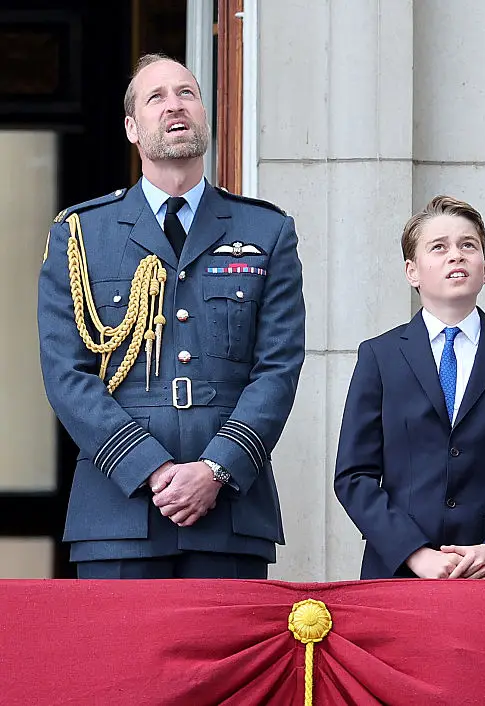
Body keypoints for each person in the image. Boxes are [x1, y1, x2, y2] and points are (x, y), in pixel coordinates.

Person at [37, 54, 305, 579]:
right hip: (118, 513)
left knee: (226, 665)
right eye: (156, 97)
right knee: (120, 664)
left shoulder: (268, 231)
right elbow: (65, 373)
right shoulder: (82, 234)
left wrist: (215, 469)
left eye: (187, 93)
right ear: (132, 128)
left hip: (228, 511)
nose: (174, 105)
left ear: (204, 114)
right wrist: (151, 468)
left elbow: (278, 368)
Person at [334, 196, 485, 579]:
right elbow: (353, 476)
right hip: (399, 572)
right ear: (412, 271)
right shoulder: (380, 356)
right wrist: (415, 553)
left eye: (468, 245)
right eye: (438, 247)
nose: (455, 255)